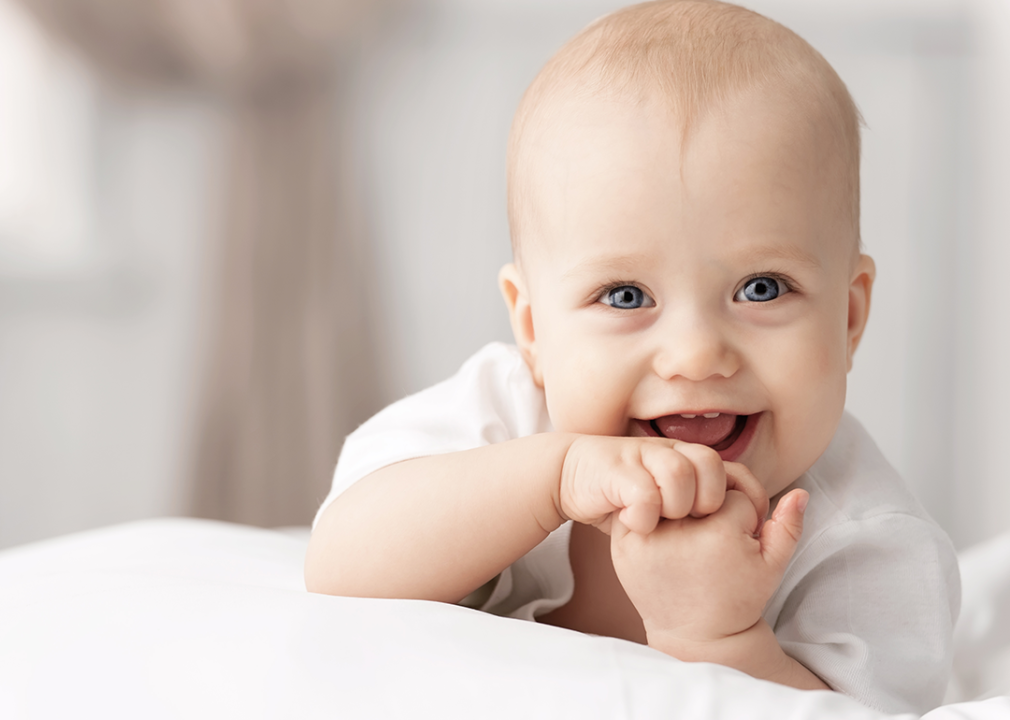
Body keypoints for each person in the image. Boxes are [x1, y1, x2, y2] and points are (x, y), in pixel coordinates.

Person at [305, 0, 959, 713]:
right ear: (532, 327)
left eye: (761, 288)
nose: (696, 356)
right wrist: (552, 478)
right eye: (623, 296)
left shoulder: (863, 546)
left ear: (849, 316)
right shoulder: (505, 415)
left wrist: (718, 637)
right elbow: (341, 565)